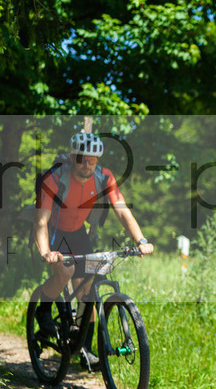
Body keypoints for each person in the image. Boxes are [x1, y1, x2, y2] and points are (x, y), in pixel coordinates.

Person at [33, 131, 154, 370]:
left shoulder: (104, 177)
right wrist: (47, 251)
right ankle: (43, 310)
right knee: (65, 273)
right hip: (55, 232)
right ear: (72, 157)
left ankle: (85, 349)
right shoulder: (55, 179)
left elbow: (122, 211)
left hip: (78, 232)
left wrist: (140, 240)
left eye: (93, 160)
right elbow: (40, 222)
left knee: (88, 287)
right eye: (82, 159)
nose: (87, 165)